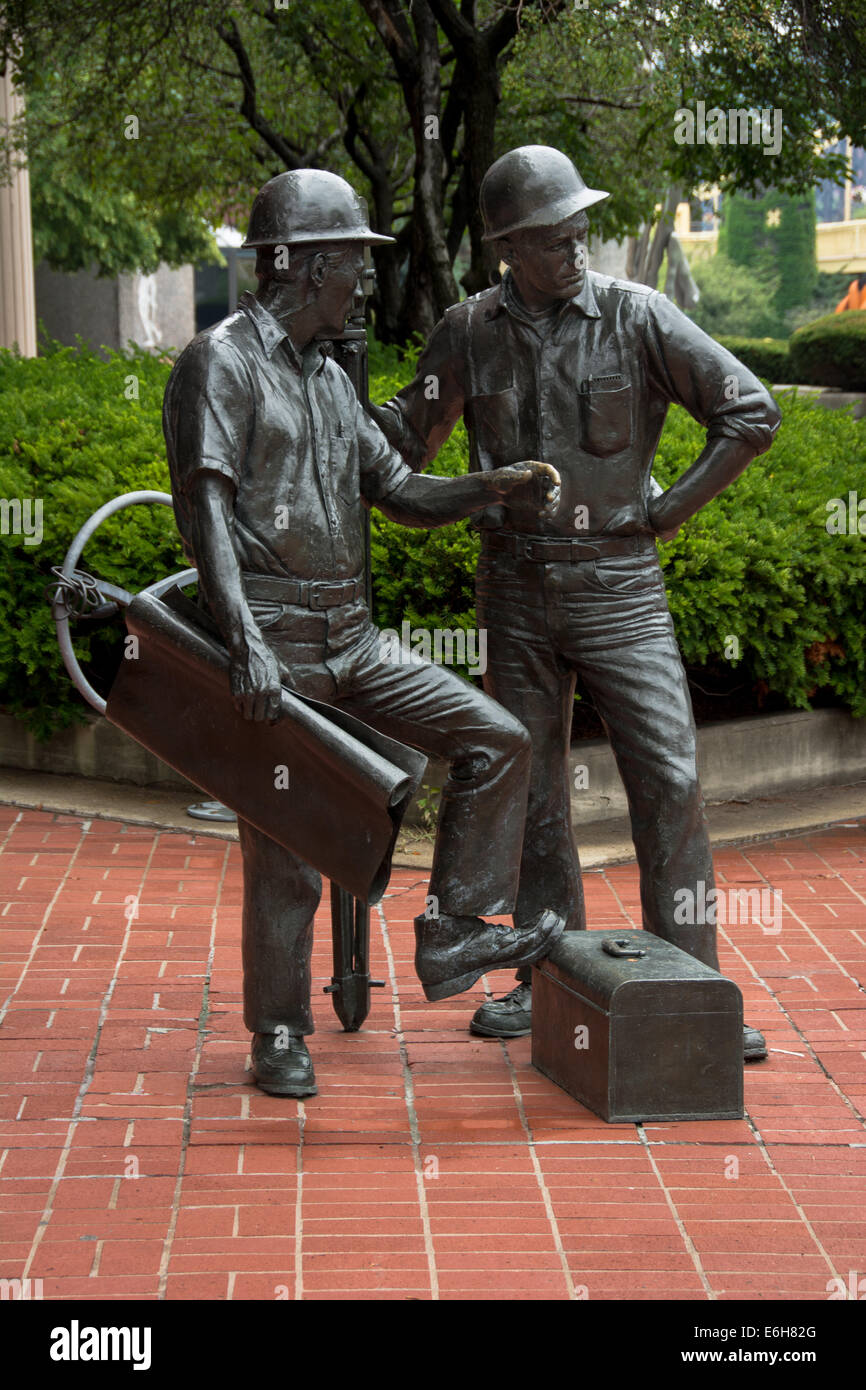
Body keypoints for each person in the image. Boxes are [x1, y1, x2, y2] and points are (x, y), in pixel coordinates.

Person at [372, 146, 783, 1062]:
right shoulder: (469, 331)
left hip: (621, 590)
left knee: (671, 780)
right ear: (508, 245)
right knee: (538, 799)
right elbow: (401, 436)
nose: (576, 248)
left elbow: (749, 410)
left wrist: (664, 509)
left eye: (581, 231)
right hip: (514, 591)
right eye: (555, 238)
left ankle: (691, 984)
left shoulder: (638, 318)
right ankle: (545, 976)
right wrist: (324, 393)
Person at [162, 169, 565, 1097]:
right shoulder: (219, 362)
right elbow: (205, 512)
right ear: (303, 266)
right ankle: (277, 1032)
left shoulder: (332, 380)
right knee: (290, 847)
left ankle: (455, 927)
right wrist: (243, 642)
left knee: (498, 740)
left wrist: (489, 489)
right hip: (278, 646)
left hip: (354, 639)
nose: (368, 283)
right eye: (355, 263)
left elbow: (400, 491)